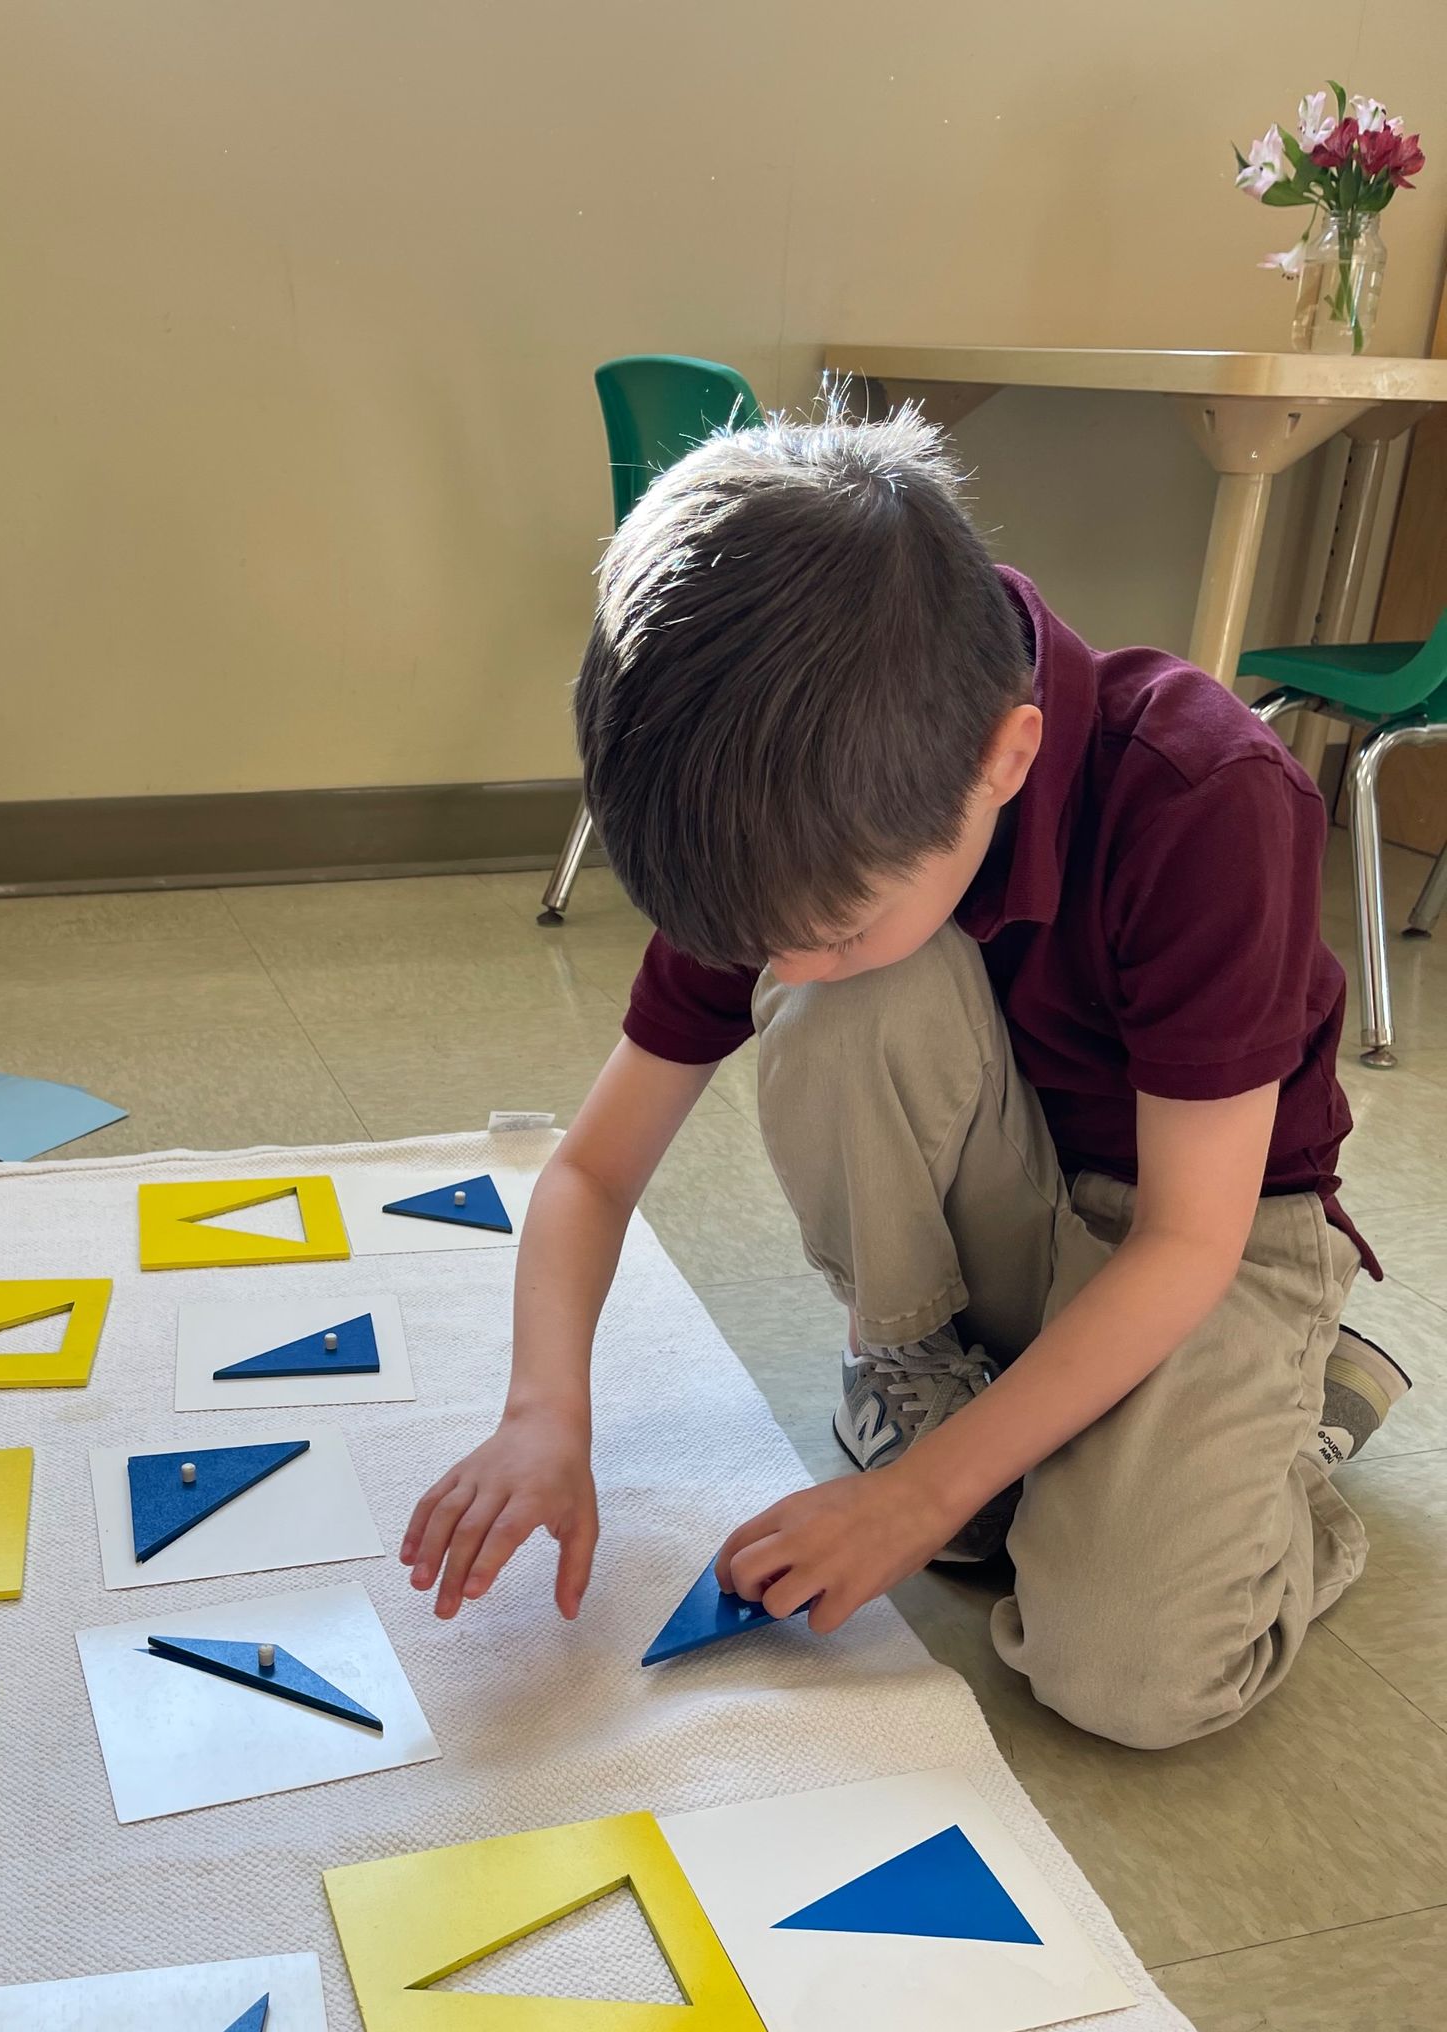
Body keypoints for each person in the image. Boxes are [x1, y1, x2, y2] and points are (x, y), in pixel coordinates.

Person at [400, 407, 1409, 1750]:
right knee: (855, 1003)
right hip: (1016, 1203)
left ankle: (1284, 1443)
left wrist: (917, 1500)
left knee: (1127, 1679)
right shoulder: (780, 817)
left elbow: (1186, 1241)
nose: (787, 969)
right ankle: (938, 1372)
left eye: (831, 927)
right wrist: (542, 1414)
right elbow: (590, 1170)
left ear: (1007, 758)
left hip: (1205, 1237)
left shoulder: (1205, 794)